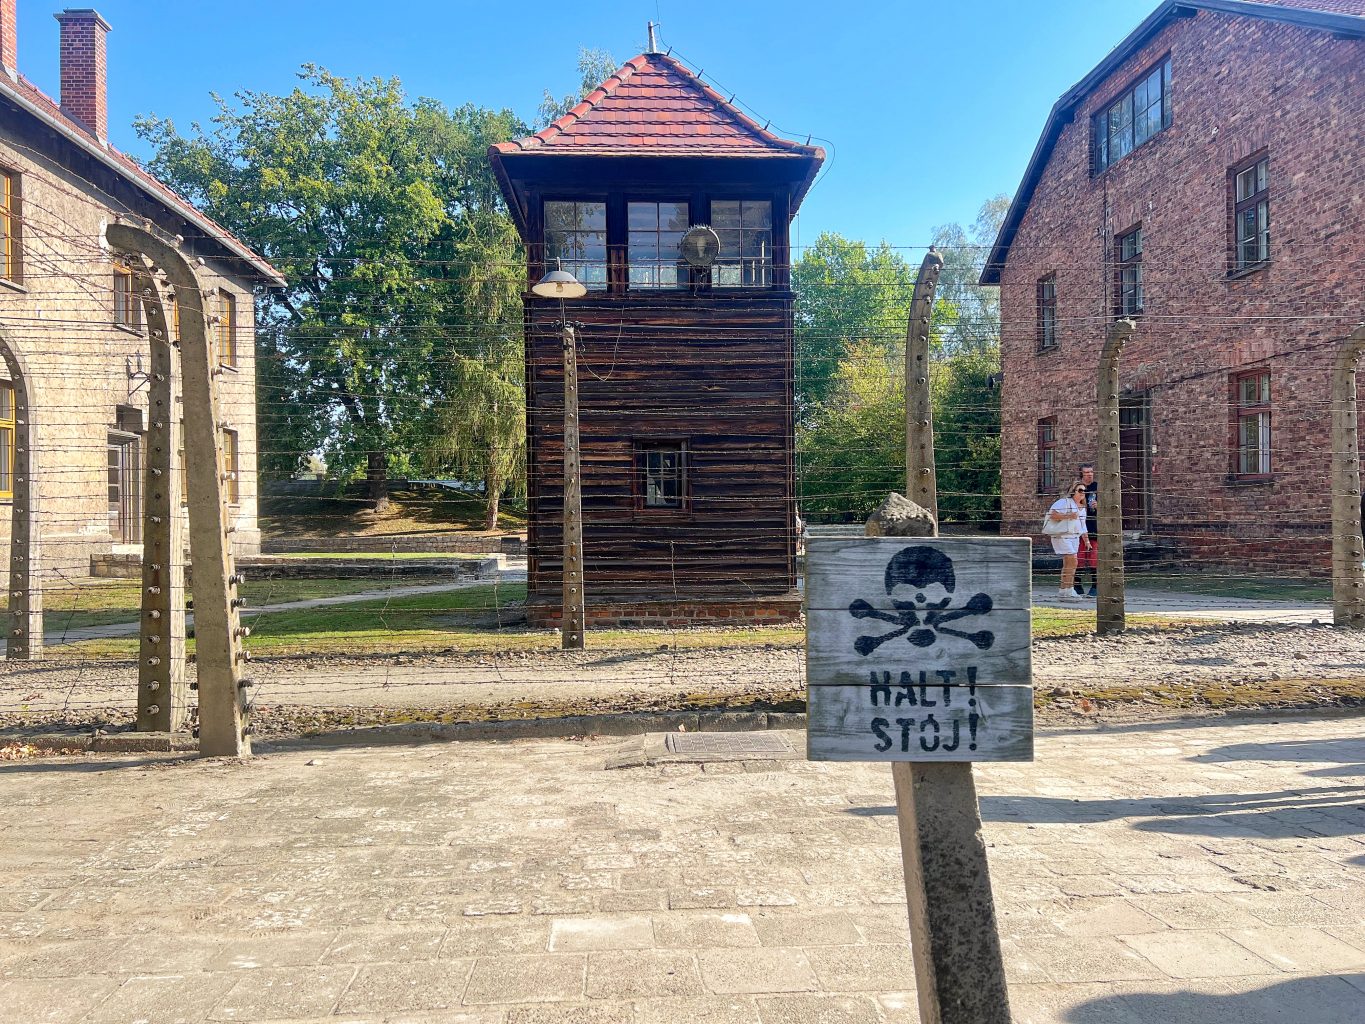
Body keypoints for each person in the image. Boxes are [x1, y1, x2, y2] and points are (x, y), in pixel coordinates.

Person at [1047, 481, 1089, 602]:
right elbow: (1052, 514)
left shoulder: (1082, 507)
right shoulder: (1064, 502)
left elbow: (1083, 525)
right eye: (1080, 490)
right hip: (1062, 536)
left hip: (1074, 537)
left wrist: (1086, 540)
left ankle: (1064, 590)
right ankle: (1069, 590)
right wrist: (1068, 516)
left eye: (1084, 491)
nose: (1083, 493)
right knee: (1073, 562)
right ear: (1073, 492)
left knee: (1069, 564)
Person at [1076, 463, 1099, 597]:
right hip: (1078, 527)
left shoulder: (1098, 487)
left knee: (1094, 557)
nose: (1089, 474)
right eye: (1086, 472)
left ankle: (1095, 586)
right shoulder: (1077, 488)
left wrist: (1099, 505)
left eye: (1091, 472)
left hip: (1094, 527)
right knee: (1078, 557)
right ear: (1081, 474)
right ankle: (1077, 585)